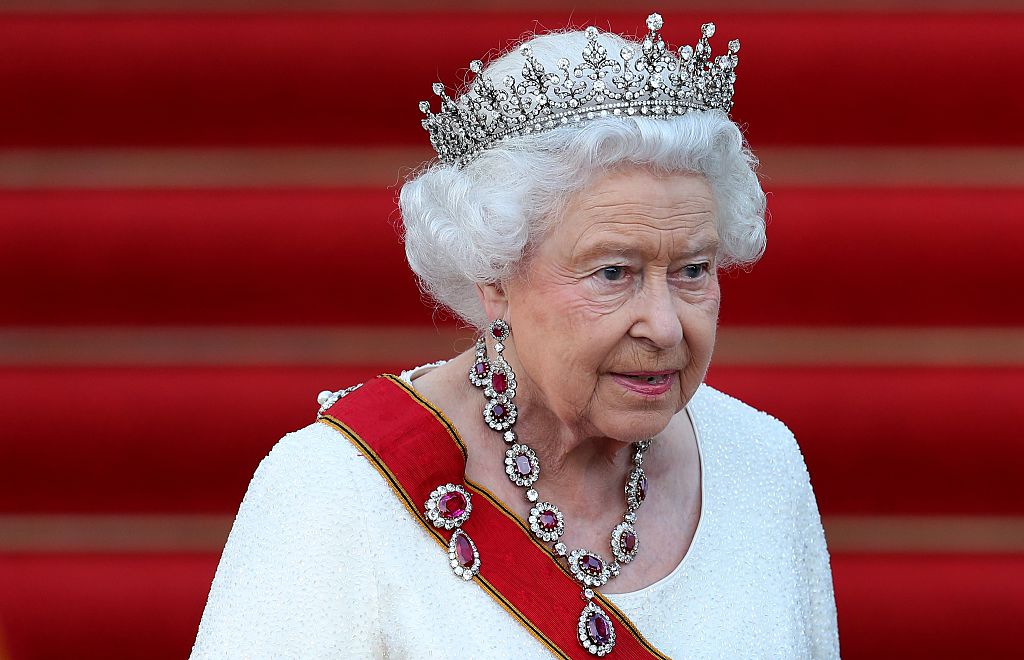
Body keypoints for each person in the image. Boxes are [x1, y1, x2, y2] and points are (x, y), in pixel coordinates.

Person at [192, 12, 840, 659]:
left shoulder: (761, 462)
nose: (666, 324)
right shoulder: (337, 491)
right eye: (612, 272)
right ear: (494, 274)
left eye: (693, 270)